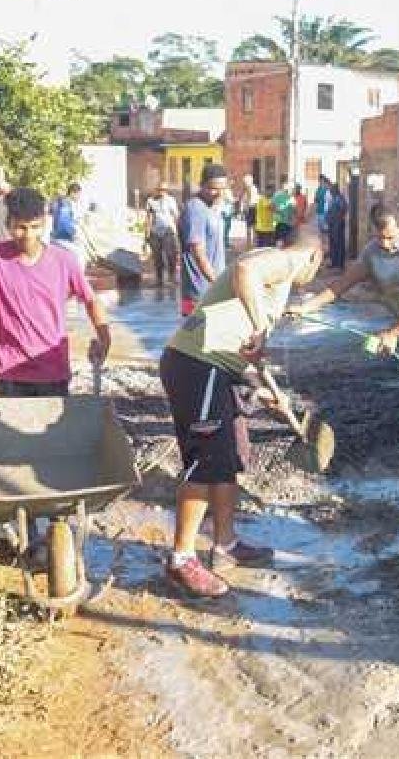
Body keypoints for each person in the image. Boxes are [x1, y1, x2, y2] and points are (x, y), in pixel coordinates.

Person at [161, 232, 324, 598]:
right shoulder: (284, 261)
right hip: (197, 366)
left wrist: (272, 392)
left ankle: (226, 544)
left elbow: (249, 352)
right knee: (206, 460)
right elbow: (245, 270)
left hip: (219, 370)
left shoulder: (278, 285)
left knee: (230, 456)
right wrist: (261, 327)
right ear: (315, 255)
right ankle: (181, 559)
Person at [290, 204, 399, 464]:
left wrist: (393, 333)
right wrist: (307, 307)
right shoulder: (371, 253)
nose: (387, 244)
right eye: (380, 238)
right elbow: (341, 285)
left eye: (391, 237)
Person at [0, 187, 111, 397]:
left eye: (35, 227)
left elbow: (91, 300)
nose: (28, 235)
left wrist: (104, 337)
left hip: (53, 369)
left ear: (44, 223)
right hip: (10, 371)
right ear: (8, 223)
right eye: (20, 227)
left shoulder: (64, 260)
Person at [180, 165, 230, 317]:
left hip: (212, 289)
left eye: (223, 189)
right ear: (202, 185)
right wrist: (218, 284)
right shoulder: (195, 208)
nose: (219, 194)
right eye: (213, 188)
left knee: (213, 338)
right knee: (193, 337)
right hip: (198, 292)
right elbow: (198, 253)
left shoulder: (213, 208)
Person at [145, 182, 181, 288]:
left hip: (168, 232)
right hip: (155, 232)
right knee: (157, 257)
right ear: (156, 190)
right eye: (160, 190)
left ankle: (172, 278)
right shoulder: (151, 201)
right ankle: (159, 280)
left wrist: (179, 231)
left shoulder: (171, 200)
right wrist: (147, 234)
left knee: (171, 255)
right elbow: (149, 218)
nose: (162, 192)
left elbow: (176, 216)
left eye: (164, 190)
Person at [326, 182, 348, 269]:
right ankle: (334, 262)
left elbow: (343, 209)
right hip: (332, 224)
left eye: (332, 190)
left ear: (335, 190)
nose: (331, 192)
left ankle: (339, 264)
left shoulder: (340, 199)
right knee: (333, 244)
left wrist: (338, 218)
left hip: (337, 225)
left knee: (338, 244)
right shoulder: (334, 198)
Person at [239, 175, 258, 248]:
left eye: (245, 182)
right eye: (244, 182)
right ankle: (249, 244)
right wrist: (242, 209)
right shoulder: (245, 190)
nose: (244, 183)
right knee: (249, 227)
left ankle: (254, 243)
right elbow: (243, 200)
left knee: (253, 227)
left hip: (252, 208)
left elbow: (251, 200)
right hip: (248, 209)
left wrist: (244, 207)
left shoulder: (252, 189)